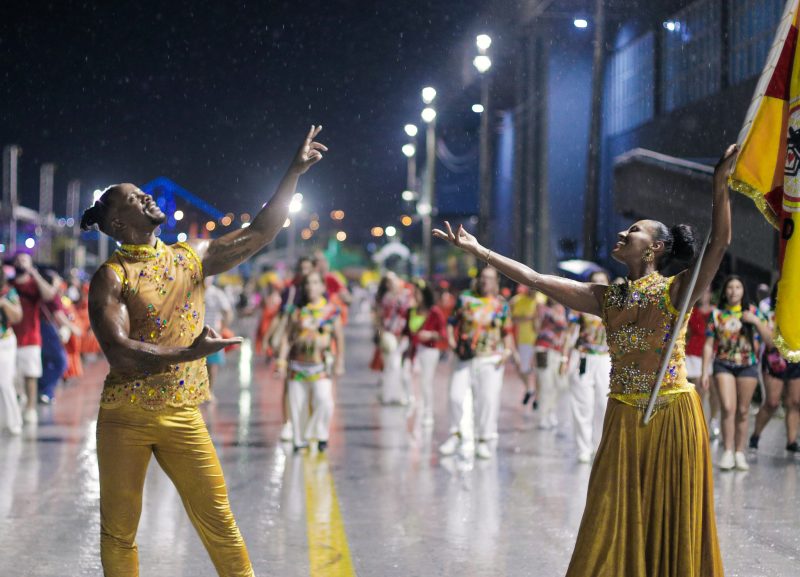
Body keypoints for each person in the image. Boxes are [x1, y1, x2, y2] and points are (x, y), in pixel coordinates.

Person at [435, 145, 737, 577]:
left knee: (672, 515)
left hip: (672, 414)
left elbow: (721, 241)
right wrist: (481, 252)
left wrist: (719, 186)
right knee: (609, 515)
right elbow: (536, 278)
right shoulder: (605, 297)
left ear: (654, 248)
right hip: (623, 418)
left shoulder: (676, 291)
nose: (621, 234)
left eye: (632, 231)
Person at [81, 125, 325, 576]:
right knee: (119, 531)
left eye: (143, 193)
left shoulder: (188, 257)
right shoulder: (111, 276)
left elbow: (260, 233)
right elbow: (119, 353)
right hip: (126, 415)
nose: (147, 198)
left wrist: (293, 172)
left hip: (182, 413)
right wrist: (189, 354)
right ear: (117, 223)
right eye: (135, 199)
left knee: (220, 523)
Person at [439, 267, 518, 460]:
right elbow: (452, 321)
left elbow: (507, 331)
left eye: (489, 278)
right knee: (455, 396)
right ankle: (455, 434)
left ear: (496, 282)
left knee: (487, 400)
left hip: (490, 357)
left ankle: (483, 439)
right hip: (465, 356)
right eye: (482, 278)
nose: (485, 282)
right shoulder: (465, 298)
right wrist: (450, 340)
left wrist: (507, 352)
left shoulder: (501, 305)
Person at [701, 275, 771, 471]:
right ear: (725, 292)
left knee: (742, 410)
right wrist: (706, 371)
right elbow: (708, 345)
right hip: (723, 364)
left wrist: (756, 321)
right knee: (728, 407)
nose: (733, 291)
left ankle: (740, 452)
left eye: (738, 287)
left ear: (743, 291)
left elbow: (770, 341)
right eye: (730, 287)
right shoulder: (717, 314)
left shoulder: (753, 312)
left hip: (747, 365)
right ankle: (728, 451)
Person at [276, 271, 344, 452]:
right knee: (296, 405)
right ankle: (299, 440)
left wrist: (339, 362)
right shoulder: (297, 311)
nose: (311, 287)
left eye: (315, 283)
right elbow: (287, 338)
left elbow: (338, 337)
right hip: (297, 366)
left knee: (325, 401)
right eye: (307, 284)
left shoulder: (332, 311)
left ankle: (321, 434)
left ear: (322, 287)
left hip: (320, 366)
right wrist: (281, 361)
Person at [563, 269, 611, 463]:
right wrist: (564, 359)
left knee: (604, 404)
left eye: (602, 281)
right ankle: (583, 448)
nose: (599, 284)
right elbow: (570, 332)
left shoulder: (615, 305)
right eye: (595, 281)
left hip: (606, 359)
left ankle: (600, 446)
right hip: (583, 357)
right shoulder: (580, 306)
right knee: (583, 405)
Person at [750, 285, 800, 453]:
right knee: (772, 402)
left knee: (795, 402)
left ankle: (792, 441)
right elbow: (770, 341)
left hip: (795, 359)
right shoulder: (767, 313)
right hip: (774, 360)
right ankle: (755, 435)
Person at [10, 252, 57, 424]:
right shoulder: (9, 285)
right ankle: (18, 405)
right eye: (18, 260)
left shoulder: (34, 284)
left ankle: (30, 409)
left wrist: (35, 274)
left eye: (24, 260)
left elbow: (49, 295)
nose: (20, 262)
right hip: (11, 338)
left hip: (31, 337)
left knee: (31, 375)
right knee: (12, 376)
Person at [402, 279, 447, 426]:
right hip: (413, 350)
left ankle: (428, 412)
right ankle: (412, 404)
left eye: (418, 293)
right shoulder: (411, 311)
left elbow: (443, 334)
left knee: (425, 383)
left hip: (429, 350)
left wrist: (430, 335)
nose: (415, 295)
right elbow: (406, 332)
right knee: (406, 376)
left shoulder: (434, 312)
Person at [685, 285, 720, 437]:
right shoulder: (691, 310)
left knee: (714, 391)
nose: (703, 294)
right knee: (699, 388)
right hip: (693, 352)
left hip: (712, 353)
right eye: (702, 291)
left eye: (706, 291)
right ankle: (696, 420)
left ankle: (713, 420)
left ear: (710, 293)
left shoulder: (716, 312)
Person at [532, 293, 569, 430]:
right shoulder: (541, 308)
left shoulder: (561, 308)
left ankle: (551, 411)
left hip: (557, 350)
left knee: (557, 384)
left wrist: (565, 355)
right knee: (545, 383)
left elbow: (565, 332)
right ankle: (543, 415)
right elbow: (535, 327)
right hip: (543, 349)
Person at [374, 272, 411, 405]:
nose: (391, 284)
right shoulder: (384, 298)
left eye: (393, 281)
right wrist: (380, 334)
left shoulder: (406, 295)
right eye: (388, 282)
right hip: (388, 336)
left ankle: (402, 394)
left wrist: (405, 333)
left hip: (402, 335)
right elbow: (378, 318)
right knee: (390, 365)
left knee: (399, 366)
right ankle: (389, 394)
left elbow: (409, 314)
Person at [0, 266, 23, 435]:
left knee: (4, 383)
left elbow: (17, 316)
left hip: (4, 342)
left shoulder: (9, 292)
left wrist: (4, 303)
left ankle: (14, 422)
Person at [204, 276, 234, 398]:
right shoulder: (195, 291)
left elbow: (227, 311)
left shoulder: (216, 294)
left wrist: (222, 328)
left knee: (212, 364)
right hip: (195, 333)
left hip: (212, 333)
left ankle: (210, 392)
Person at [509, 284, 539, 408]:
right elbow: (512, 318)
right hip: (523, 340)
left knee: (538, 370)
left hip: (540, 341)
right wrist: (527, 318)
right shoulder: (517, 300)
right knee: (522, 368)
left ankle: (537, 396)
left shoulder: (540, 301)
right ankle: (529, 389)